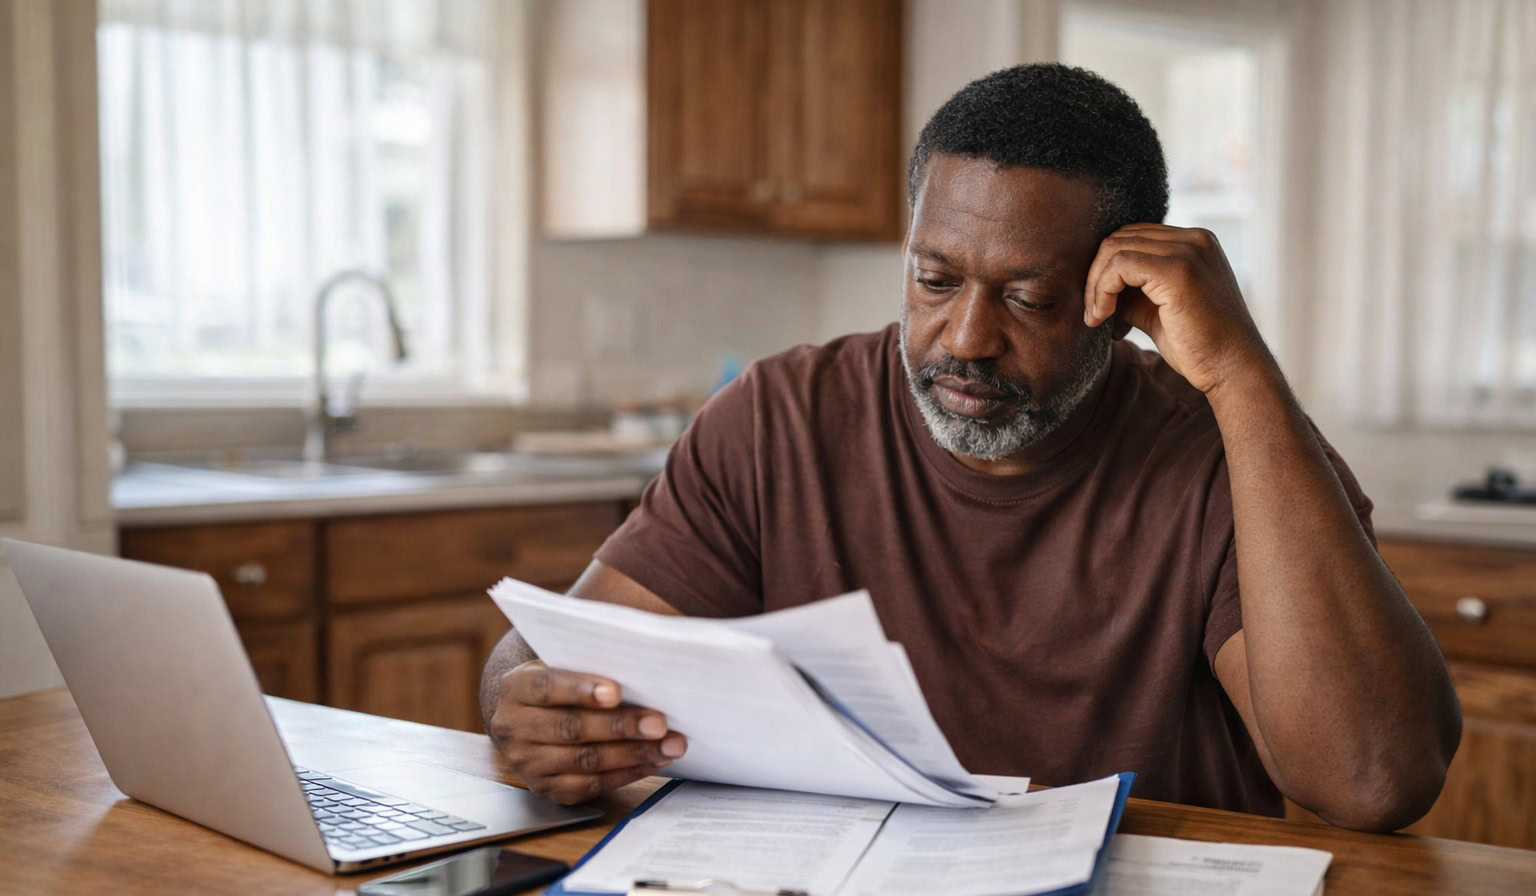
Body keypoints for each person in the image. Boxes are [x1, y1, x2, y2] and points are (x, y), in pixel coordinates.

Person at [480, 64, 1459, 831]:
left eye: (1028, 298)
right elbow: (550, 651)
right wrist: (521, 702)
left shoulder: (1229, 459)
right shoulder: (782, 415)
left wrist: (1242, 373)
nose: (964, 339)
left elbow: (1372, 779)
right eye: (934, 279)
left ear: (1119, 300)